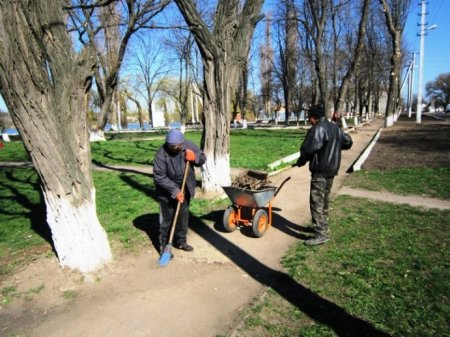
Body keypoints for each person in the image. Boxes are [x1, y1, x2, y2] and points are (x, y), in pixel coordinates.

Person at [295, 104, 353, 246]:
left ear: (314, 118)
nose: (309, 120)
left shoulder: (317, 129)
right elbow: (348, 142)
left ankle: (321, 234)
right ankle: (323, 228)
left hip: (320, 171)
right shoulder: (335, 128)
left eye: (309, 117)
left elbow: (308, 150)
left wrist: (301, 161)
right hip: (332, 170)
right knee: (324, 200)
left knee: (316, 202)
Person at [153, 129, 206, 254]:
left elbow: (202, 157)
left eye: (178, 145)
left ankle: (181, 242)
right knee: (166, 220)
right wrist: (175, 191)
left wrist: (195, 158)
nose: (177, 147)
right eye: (173, 146)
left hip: (185, 186)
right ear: (168, 144)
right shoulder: (161, 154)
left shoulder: (187, 145)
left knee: (183, 217)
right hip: (166, 190)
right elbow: (159, 176)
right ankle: (165, 247)